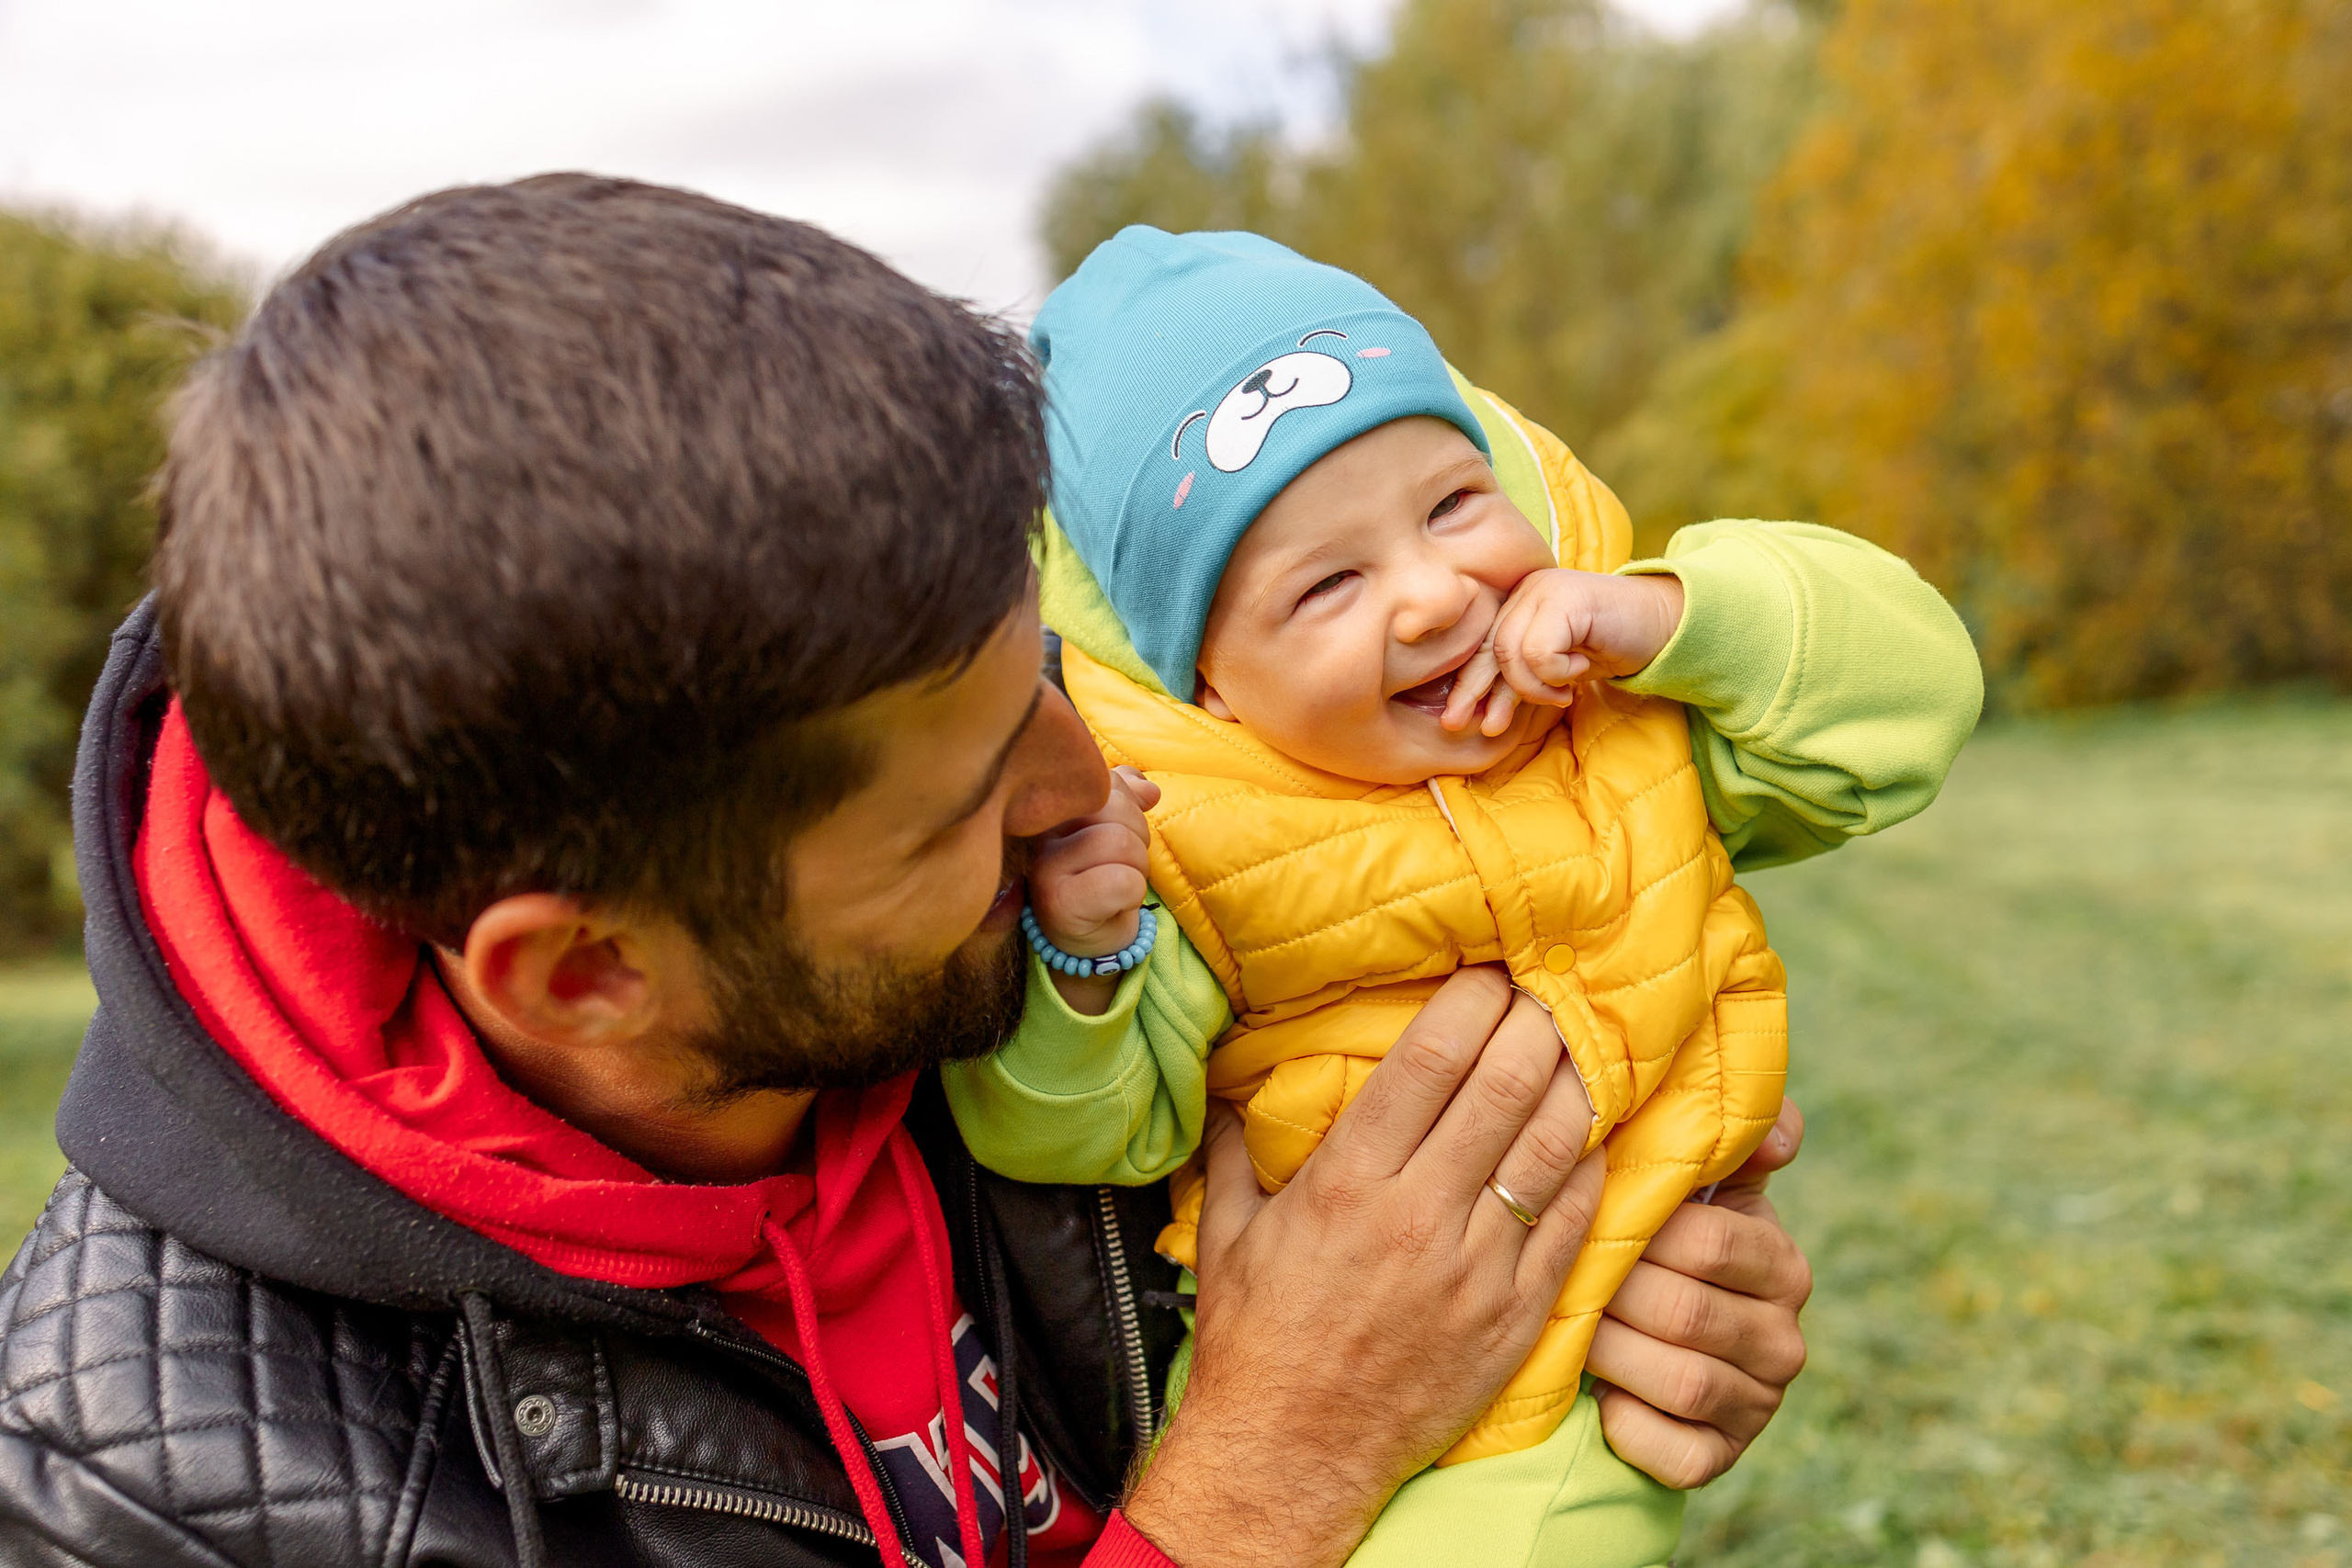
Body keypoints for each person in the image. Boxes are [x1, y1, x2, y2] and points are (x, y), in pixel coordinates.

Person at [0, 178, 1815, 1568]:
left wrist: (1582, 1310)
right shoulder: (173, 1501)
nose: (1088, 787)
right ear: (584, 974)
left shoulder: (1034, 910)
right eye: (959, 805)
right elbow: (1300, 1405)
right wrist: (1275, 1464)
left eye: (1048, 672)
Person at [944, 228, 1982, 1565]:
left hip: (1585, 1372)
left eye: (1450, 507)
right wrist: (1085, 966)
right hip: (1289, 1369)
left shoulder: (1620, 716)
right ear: (1208, 685)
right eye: (1328, 584)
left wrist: (1671, 622)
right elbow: (1086, 1138)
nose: (1435, 596)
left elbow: (1907, 710)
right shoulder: (1188, 850)